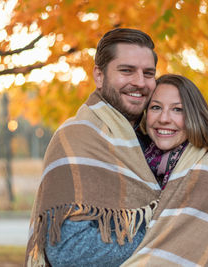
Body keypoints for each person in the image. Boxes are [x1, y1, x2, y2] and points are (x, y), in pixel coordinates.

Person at [25, 28, 160, 267]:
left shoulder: (159, 142)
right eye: (127, 71)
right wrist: (171, 231)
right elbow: (69, 252)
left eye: (148, 73)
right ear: (99, 76)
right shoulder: (77, 138)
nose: (140, 82)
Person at [122, 74, 208, 266]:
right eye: (156, 107)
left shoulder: (206, 173)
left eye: (177, 110)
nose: (164, 118)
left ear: (194, 116)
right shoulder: (142, 165)